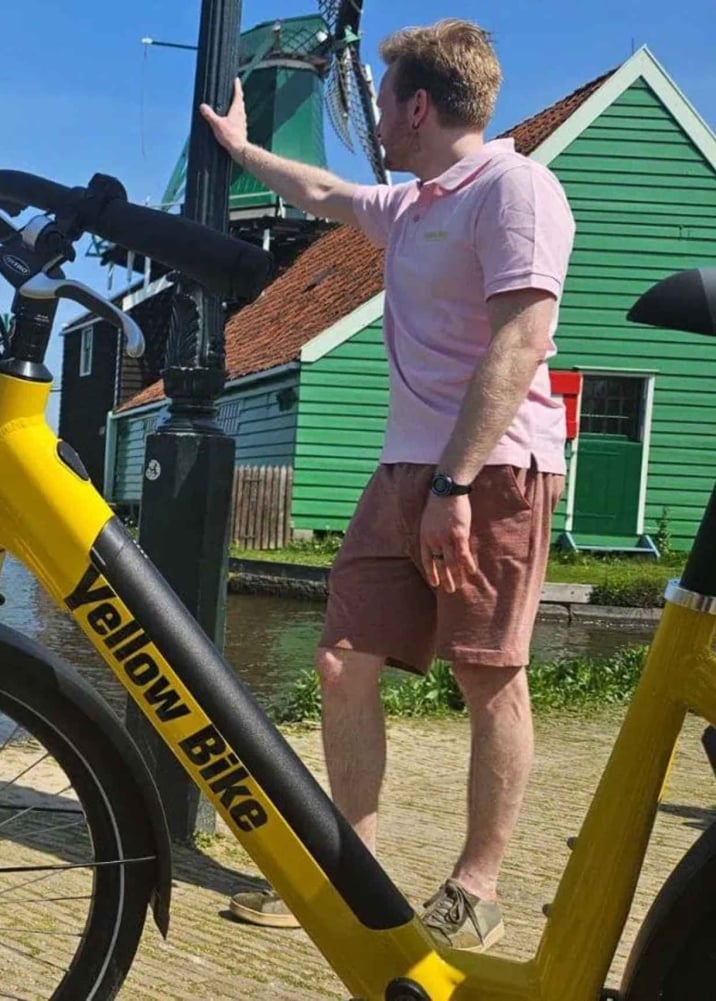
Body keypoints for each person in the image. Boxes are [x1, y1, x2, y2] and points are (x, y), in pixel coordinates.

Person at [201, 18, 573, 952]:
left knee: (489, 675)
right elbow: (322, 189)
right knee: (341, 662)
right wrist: (242, 148)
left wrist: (456, 482)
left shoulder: (514, 188)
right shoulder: (411, 206)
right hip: (405, 467)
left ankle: (477, 886)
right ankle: (355, 871)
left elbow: (522, 338)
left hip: (490, 469)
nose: (370, 120)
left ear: (416, 105)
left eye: (379, 99)